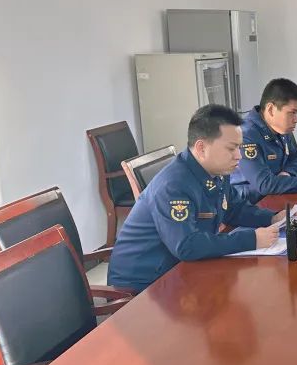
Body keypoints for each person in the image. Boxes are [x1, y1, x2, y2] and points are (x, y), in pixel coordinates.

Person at [108, 104, 284, 292]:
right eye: (231, 148)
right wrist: (251, 239)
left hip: (179, 268)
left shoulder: (216, 170)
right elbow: (186, 245)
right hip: (142, 286)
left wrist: (272, 218)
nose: (238, 156)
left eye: (239, 148)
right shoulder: (173, 185)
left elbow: (234, 208)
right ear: (201, 148)